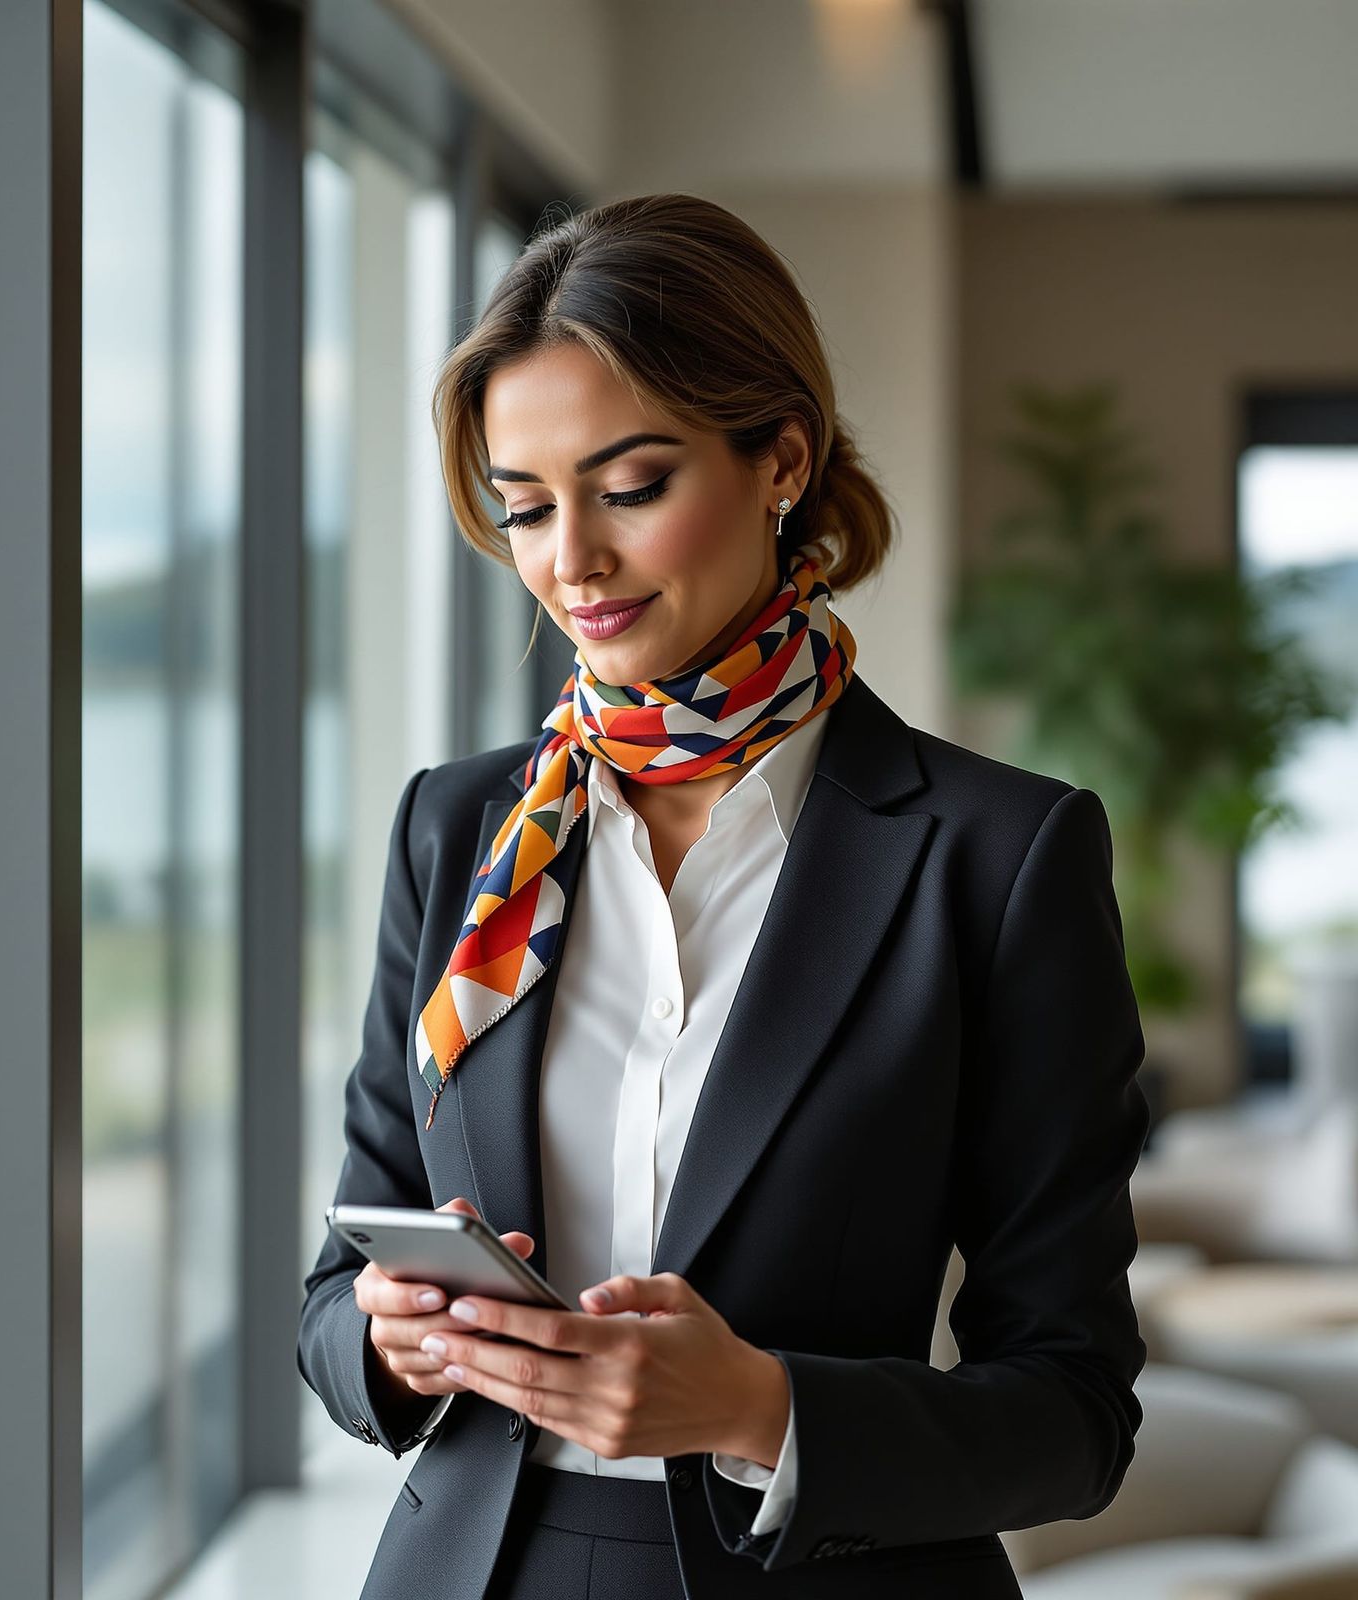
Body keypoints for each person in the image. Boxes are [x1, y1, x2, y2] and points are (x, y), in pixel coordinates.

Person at [296, 192, 1150, 1600]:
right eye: (526, 505)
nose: (572, 559)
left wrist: (757, 1407)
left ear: (782, 462)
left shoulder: (1000, 858)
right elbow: (337, 1289)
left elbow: (1075, 1417)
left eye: (630, 486)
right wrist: (392, 1338)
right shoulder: (459, 831)